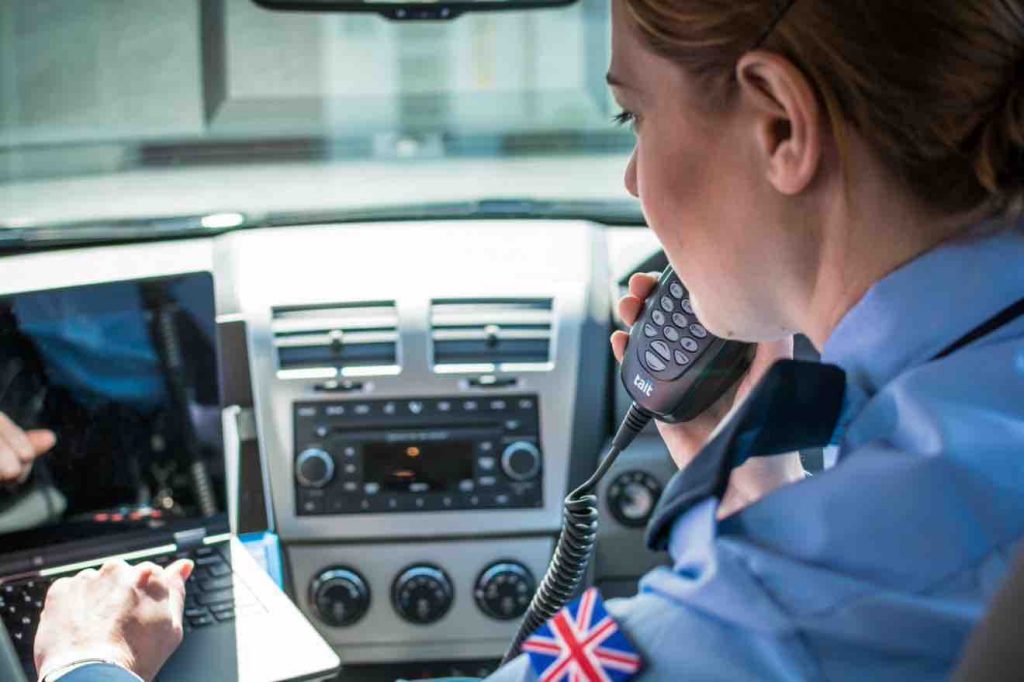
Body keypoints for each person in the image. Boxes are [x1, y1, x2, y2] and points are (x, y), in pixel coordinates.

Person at [29, 0, 1024, 679]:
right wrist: (745, 483)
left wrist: (86, 659)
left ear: (778, 126)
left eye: (631, 115)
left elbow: (800, 614)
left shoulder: (785, 599)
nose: (633, 182)